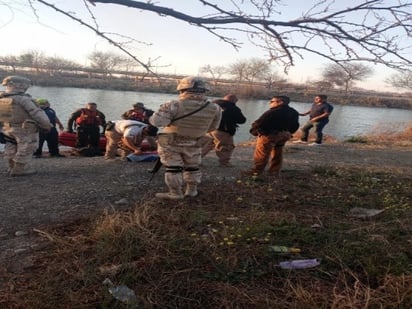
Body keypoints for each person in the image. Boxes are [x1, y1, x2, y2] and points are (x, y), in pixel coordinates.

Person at [149, 76, 222, 200]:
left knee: (173, 168)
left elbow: (156, 122)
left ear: (182, 89)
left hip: (171, 143)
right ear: (205, 90)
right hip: (195, 142)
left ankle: (175, 193)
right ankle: (192, 191)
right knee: (193, 167)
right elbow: (213, 127)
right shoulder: (215, 108)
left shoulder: (173, 105)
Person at [0, 76, 52, 176]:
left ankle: (11, 167)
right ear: (20, 85)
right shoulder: (24, 99)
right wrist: (46, 125)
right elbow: (36, 113)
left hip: (7, 128)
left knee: (11, 146)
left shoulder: (2, 98)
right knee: (27, 147)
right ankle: (20, 168)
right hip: (24, 128)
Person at [246, 95, 299, 178]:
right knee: (277, 152)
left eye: (272, 101)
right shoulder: (294, 112)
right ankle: (274, 171)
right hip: (284, 135)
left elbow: (259, 122)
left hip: (270, 135)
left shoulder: (273, 111)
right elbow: (296, 125)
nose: (270, 103)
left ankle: (256, 172)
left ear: (280, 102)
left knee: (262, 153)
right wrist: (288, 132)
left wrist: (254, 132)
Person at [202, 94, 246, 167]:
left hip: (210, 129)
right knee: (226, 147)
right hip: (223, 131)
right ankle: (224, 163)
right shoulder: (233, 108)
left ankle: (197, 160)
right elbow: (242, 120)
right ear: (233, 101)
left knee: (207, 144)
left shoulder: (213, 104)